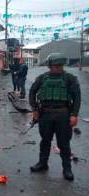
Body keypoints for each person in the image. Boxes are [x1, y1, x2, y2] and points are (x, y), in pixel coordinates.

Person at [29, 53, 81, 181]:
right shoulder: (42, 78)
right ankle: (42, 163)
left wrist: (74, 115)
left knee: (63, 143)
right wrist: (35, 109)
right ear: (49, 65)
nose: (58, 68)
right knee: (45, 140)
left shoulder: (70, 78)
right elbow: (32, 92)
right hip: (45, 114)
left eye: (60, 65)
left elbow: (77, 97)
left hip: (63, 114)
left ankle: (67, 169)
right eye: (55, 65)